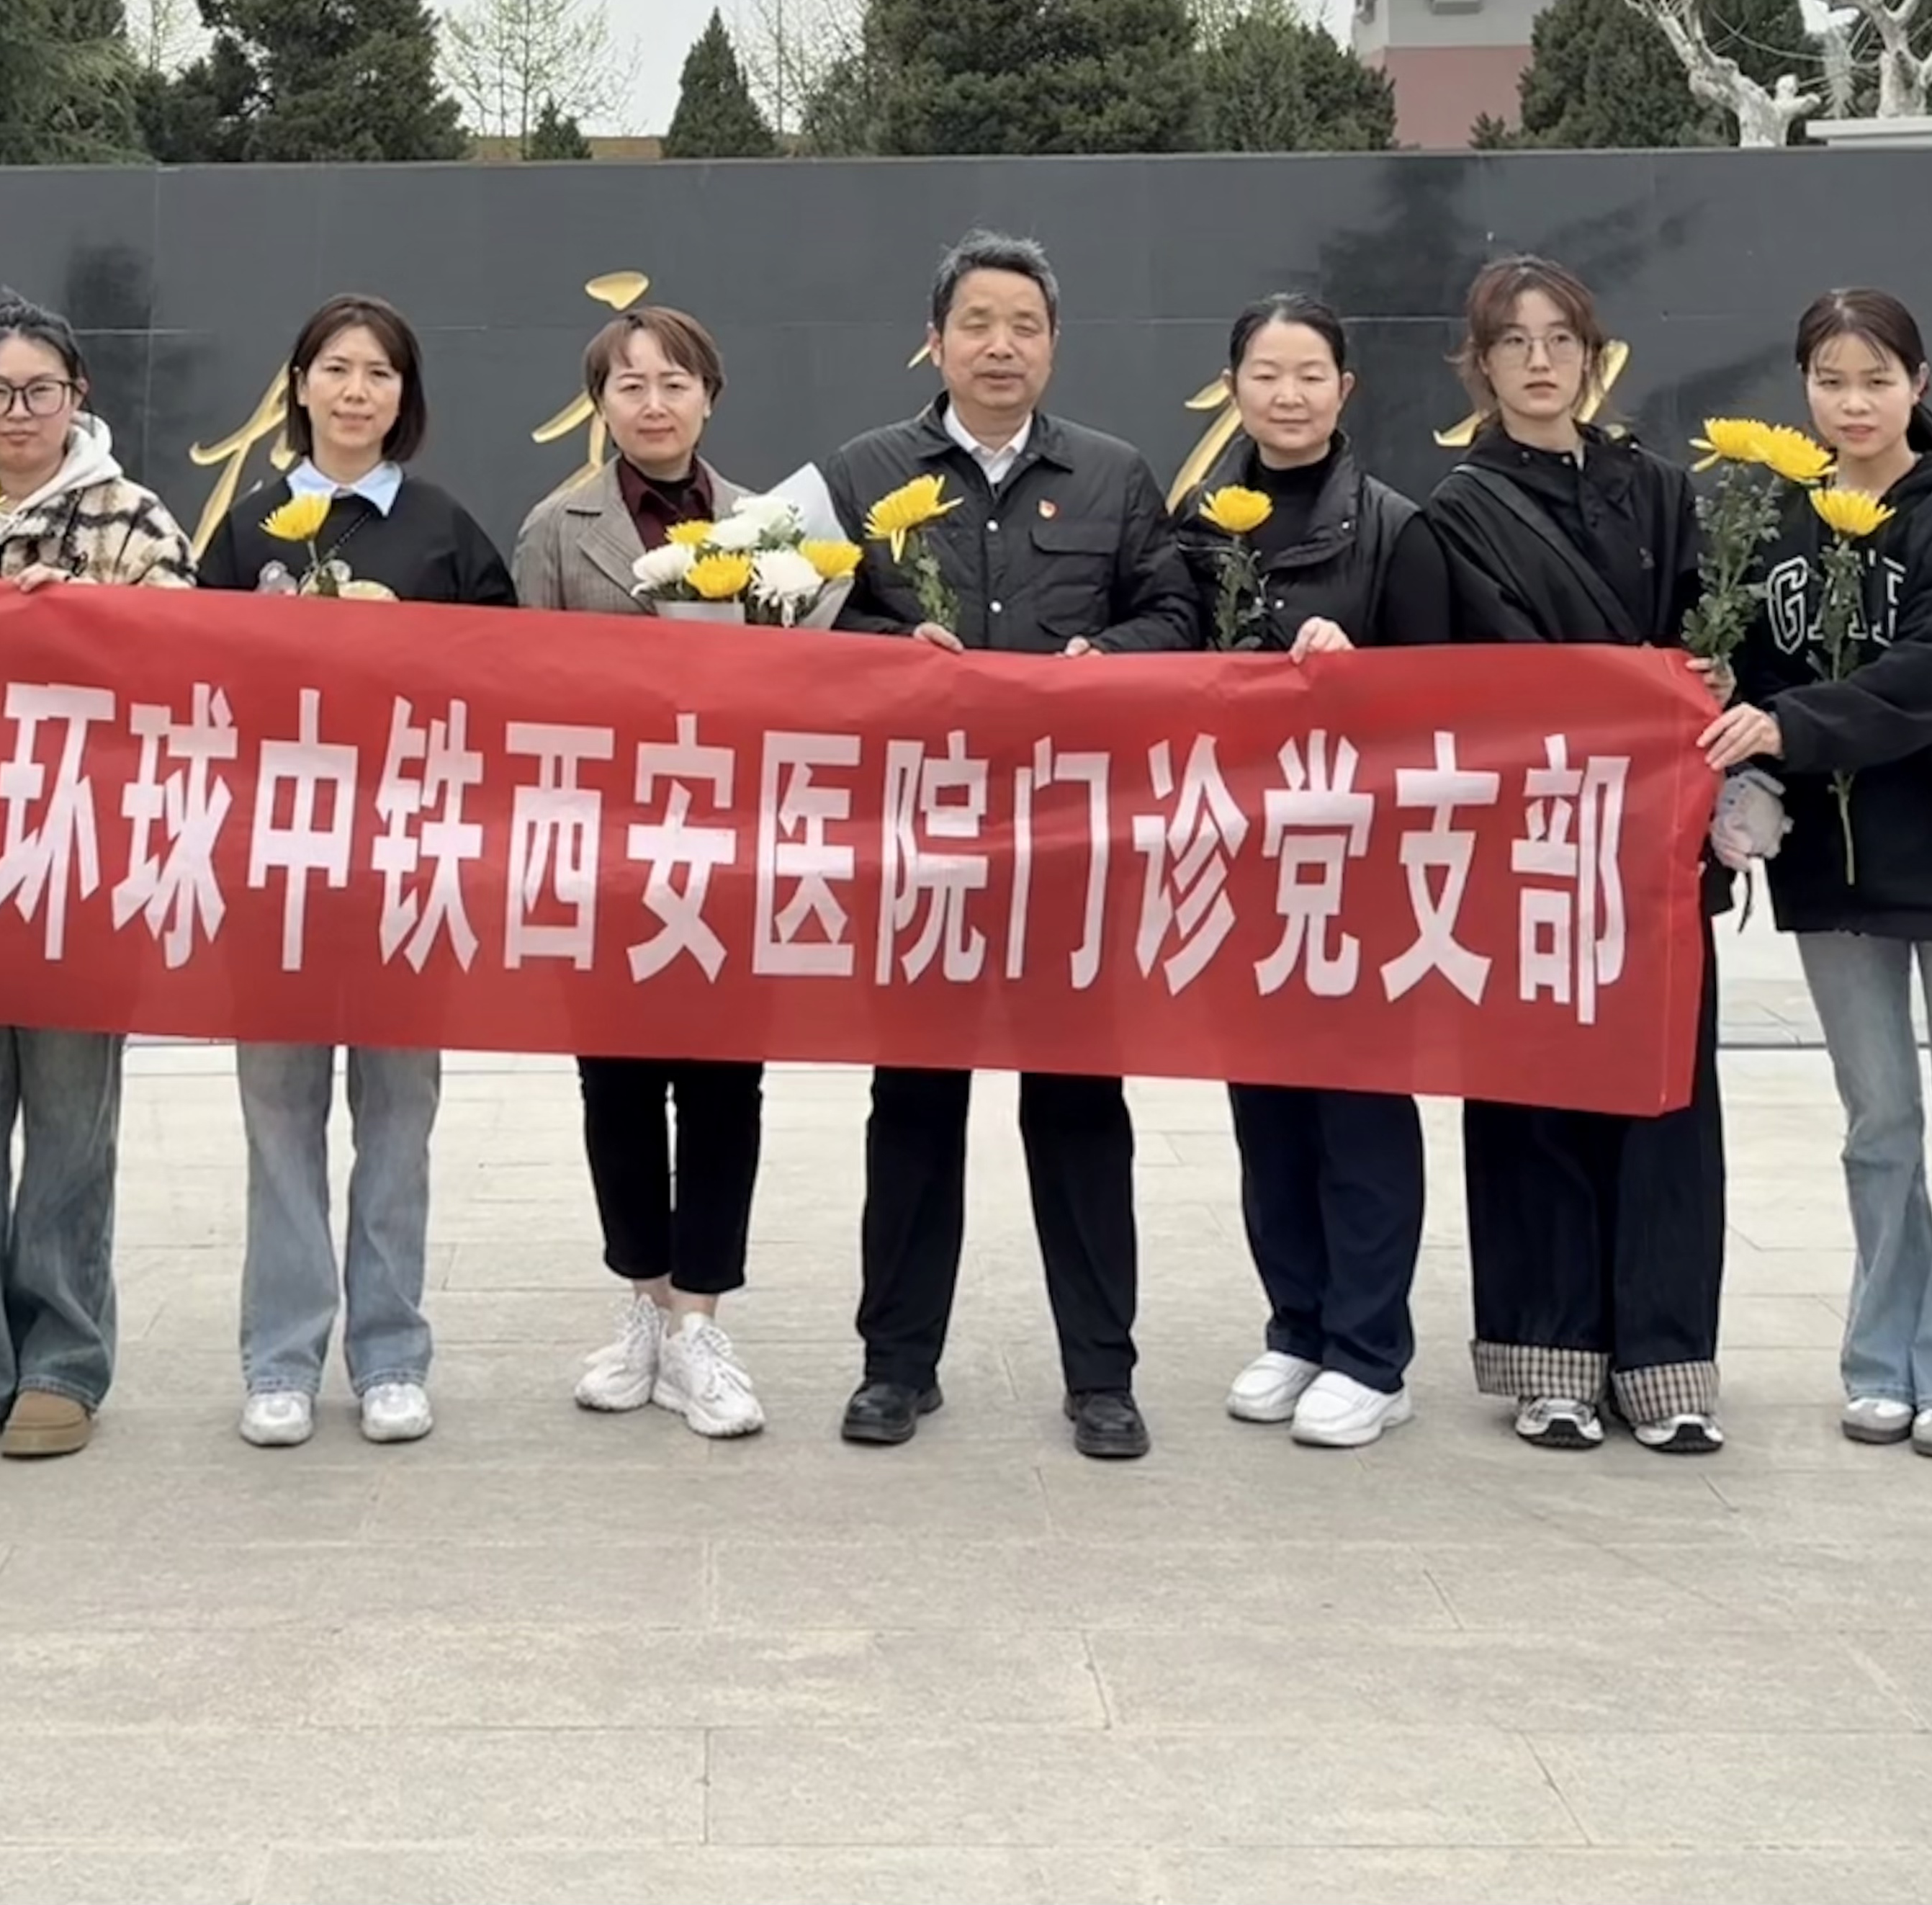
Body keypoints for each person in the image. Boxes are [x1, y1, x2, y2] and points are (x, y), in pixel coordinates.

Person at [820, 230, 1197, 1461]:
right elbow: (803, 628)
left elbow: (1174, 611)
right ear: (933, 341)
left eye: (1023, 325)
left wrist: (1108, 657)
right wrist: (891, 656)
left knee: (1080, 1110)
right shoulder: (863, 475)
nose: (1000, 346)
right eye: (976, 323)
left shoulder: (1113, 474)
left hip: (1066, 852)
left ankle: (1100, 1375)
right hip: (919, 848)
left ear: (1052, 344)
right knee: (912, 1107)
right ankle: (895, 1367)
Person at [1704, 288, 1932, 1459]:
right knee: (1877, 1126)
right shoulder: (1774, 524)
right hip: (1833, 876)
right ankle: (1881, 1360)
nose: (1852, 404)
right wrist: (1733, 737)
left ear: (1917, 386)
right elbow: (1745, 671)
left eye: (1875, 381)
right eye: (1830, 381)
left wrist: (1787, 727)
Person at [1419, 254, 1733, 1454]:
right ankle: (1549, 1358)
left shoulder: (1658, 492)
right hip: (1527, 846)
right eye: (1513, 341)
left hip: (1649, 848)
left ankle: (1664, 1360)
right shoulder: (1454, 511)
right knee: (1532, 1100)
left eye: (1560, 340)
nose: (1539, 361)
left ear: (1593, 360)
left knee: (1665, 1100)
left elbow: (1701, 640)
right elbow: (1464, 681)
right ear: (1480, 365)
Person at [196, 293, 517, 1448]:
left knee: (397, 1120)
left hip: (403, 864)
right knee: (279, 1119)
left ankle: (389, 1355)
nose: (355, 391)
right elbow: (195, 686)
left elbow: (509, 679)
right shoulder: (249, 532)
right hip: (278, 866)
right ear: (298, 386)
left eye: (379, 373)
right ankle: (280, 1359)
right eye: (335, 368)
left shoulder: (442, 529)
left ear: (403, 397)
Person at [0, 294, 197, 1463]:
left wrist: (85, 622)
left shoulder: (132, 517)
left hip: (81, 860)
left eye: (40, 390)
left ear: (79, 398)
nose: (17, 412)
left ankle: (63, 1356)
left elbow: (187, 660)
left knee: (71, 1122)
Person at [1190, 295, 1454, 1452]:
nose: (1286, 395)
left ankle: (1370, 1352)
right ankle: (1296, 1326)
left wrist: (1364, 668)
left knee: (1357, 1108)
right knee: (1265, 1107)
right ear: (1231, 390)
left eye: (1308, 374)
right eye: (1264, 373)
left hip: (1360, 871)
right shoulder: (1197, 528)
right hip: (1241, 866)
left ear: (1344, 390)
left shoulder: (1397, 529)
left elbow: (1443, 703)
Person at [511, 305, 770, 1440]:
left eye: (674, 382)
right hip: (608, 852)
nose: (653, 403)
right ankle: (644, 1306)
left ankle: (700, 1323)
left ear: (709, 396)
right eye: (629, 385)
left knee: (721, 1088)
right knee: (614, 1087)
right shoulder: (557, 528)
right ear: (600, 406)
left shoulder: (767, 527)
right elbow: (525, 692)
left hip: (733, 852)